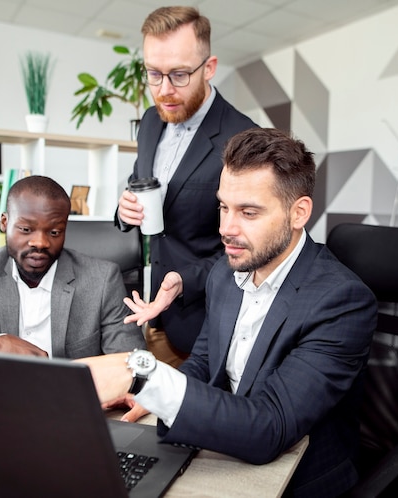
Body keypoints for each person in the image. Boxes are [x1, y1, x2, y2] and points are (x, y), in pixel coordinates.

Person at [78, 128, 377, 497]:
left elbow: (271, 428)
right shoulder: (227, 270)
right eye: (223, 207)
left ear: (298, 212)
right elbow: (204, 362)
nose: (226, 229)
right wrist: (149, 396)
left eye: (248, 212)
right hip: (229, 446)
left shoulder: (341, 302)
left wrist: (145, 377)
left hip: (297, 476)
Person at [116, 6, 257, 366]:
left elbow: (251, 250)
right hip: (151, 312)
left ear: (208, 68)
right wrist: (123, 211)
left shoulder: (243, 139)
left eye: (178, 75)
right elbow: (139, 186)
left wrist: (184, 281)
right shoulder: (150, 121)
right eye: (153, 74)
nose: (164, 90)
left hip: (207, 325)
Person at [0, 175, 145, 358]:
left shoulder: (102, 279)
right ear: (5, 223)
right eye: (26, 230)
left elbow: (133, 362)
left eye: (54, 232)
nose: (41, 243)